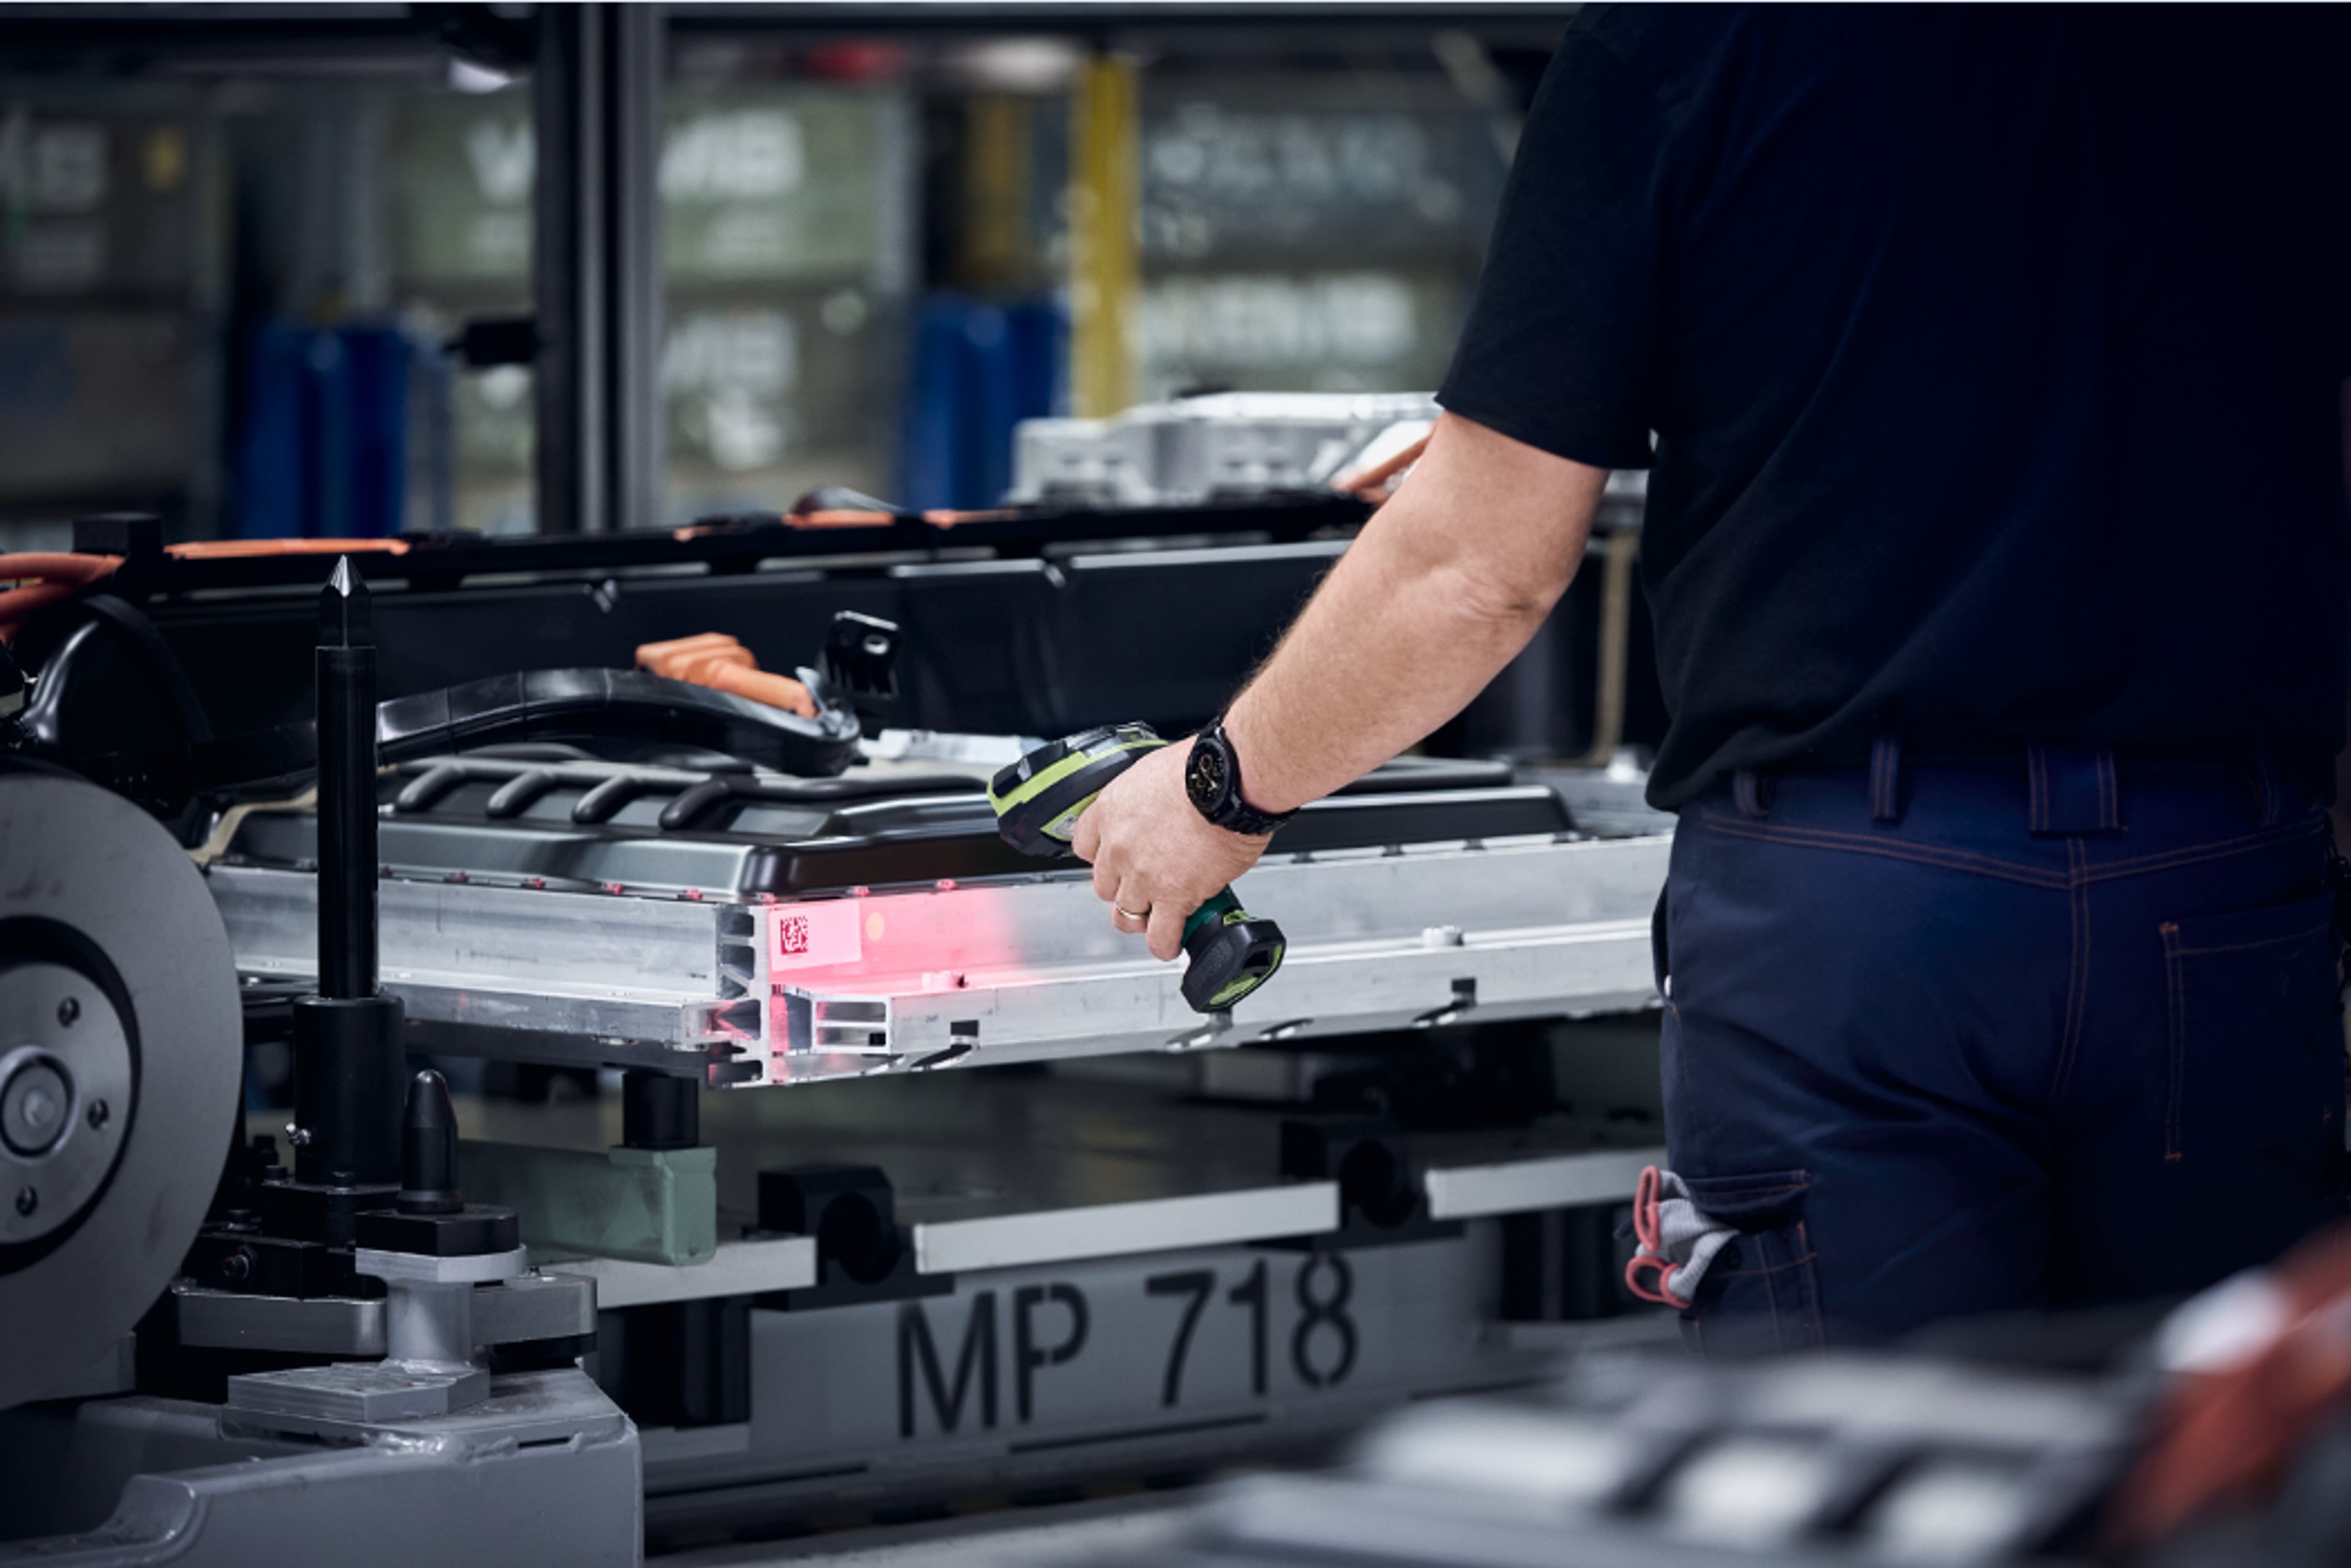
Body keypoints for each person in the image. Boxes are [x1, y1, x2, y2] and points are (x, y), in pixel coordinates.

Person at [1070, 6, 2351, 1351]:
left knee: (1840, 1487)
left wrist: (1218, 788)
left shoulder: (1688, 38)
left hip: (1858, 915)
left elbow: (1480, 569)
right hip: (2218, 895)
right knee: (2218, 1485)